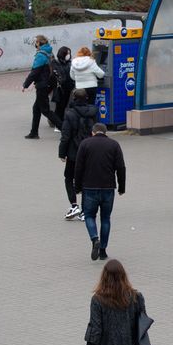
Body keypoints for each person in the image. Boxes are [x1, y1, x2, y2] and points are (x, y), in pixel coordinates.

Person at [76, 123, 126, 261]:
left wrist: (78, 187)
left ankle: (94, 239)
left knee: (89, 216)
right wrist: (122, 187)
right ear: (105, 133)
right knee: (105, 219)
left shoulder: (85, 144)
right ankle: (103, 250)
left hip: (89, 187)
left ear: (93, 132)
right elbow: (121, 167)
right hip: (108, 188)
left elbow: (79, 167)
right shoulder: (114, 145)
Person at [59, 88, 98, 220]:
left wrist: (61, 153)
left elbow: (65, 136)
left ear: (74, 98)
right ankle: (85, 211)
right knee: (86, 180)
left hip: (73, 153)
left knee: (69, 177)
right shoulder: (93, 112)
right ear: (86, 98)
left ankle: (74, 205)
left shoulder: (70, 114)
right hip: (90, 151)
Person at [22, 34, 62, 138]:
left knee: (45, 110)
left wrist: (25, 85)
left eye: (36, 42)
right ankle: (34, 132)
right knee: (36, 108)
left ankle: (65, 129)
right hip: (48, 83)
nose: (35, 44)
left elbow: (35, 72)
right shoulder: (49, 51)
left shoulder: (40, 55)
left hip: (42, 85)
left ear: (39, 43)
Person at [52, 46, 74, 123]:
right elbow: (61, 76)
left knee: (65, 105)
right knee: (60, 106)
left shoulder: (70, 63)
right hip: (61, 89)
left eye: (69, 53)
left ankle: (61, 121)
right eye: (67, 53)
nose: (69, 55)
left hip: (69, 88)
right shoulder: (56, 63)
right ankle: (57, 122)